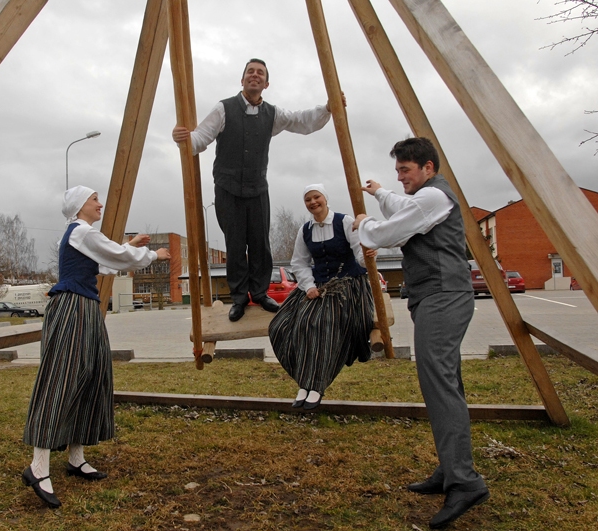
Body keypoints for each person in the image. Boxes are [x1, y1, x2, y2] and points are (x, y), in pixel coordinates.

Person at [353, 137, 489, 529]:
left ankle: (465, 482)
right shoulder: (424, 196)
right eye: (397, 171)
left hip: (444, 295)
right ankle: (451, 470)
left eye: (405, 171)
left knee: (439, 382)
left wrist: (366, 224)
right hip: (434, 296)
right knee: (443, 382)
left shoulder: (434, 198)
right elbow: (401, 205)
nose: (401, 177)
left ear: (428, 168)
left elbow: (388, 233)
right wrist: (380, 192)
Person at [21, 185, 170, 509]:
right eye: (94, 200)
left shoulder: (83, 236)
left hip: (86, 307)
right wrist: (152, 255)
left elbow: (103, 263)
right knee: (62, 379)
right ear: (79, 206)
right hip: (73, 307)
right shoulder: (81, 231)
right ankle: (38, 466)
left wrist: (128, 245)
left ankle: (76, 458)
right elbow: (115, 257)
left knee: (91, 376)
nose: (99, 204)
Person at [173, 58, 334, 322]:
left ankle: (260, 293)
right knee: (235, 245)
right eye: (250, 72)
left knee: (260, 244)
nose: (254, 76)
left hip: (258, 188)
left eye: (260, 73)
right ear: (242, 79)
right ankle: (239, 298)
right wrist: (183, 138)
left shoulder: (272, 114)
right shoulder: (223, 108)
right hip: (227, 188)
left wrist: (328, 108)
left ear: (266, 83)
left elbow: (301, 121)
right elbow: (199, 139)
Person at [268, 184, 375, 411]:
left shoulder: (344, 222)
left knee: (320, 324)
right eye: (308, 199)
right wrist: (307, 286)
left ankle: (315, 386)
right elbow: (299, 262)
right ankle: (304, 382)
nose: (313, 202)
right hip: (316, 286)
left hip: (347, 286)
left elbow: (360, 252)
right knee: (281, 325)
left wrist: (369, 256)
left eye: (316, 197)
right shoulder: (305, 229)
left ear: (325, 198)